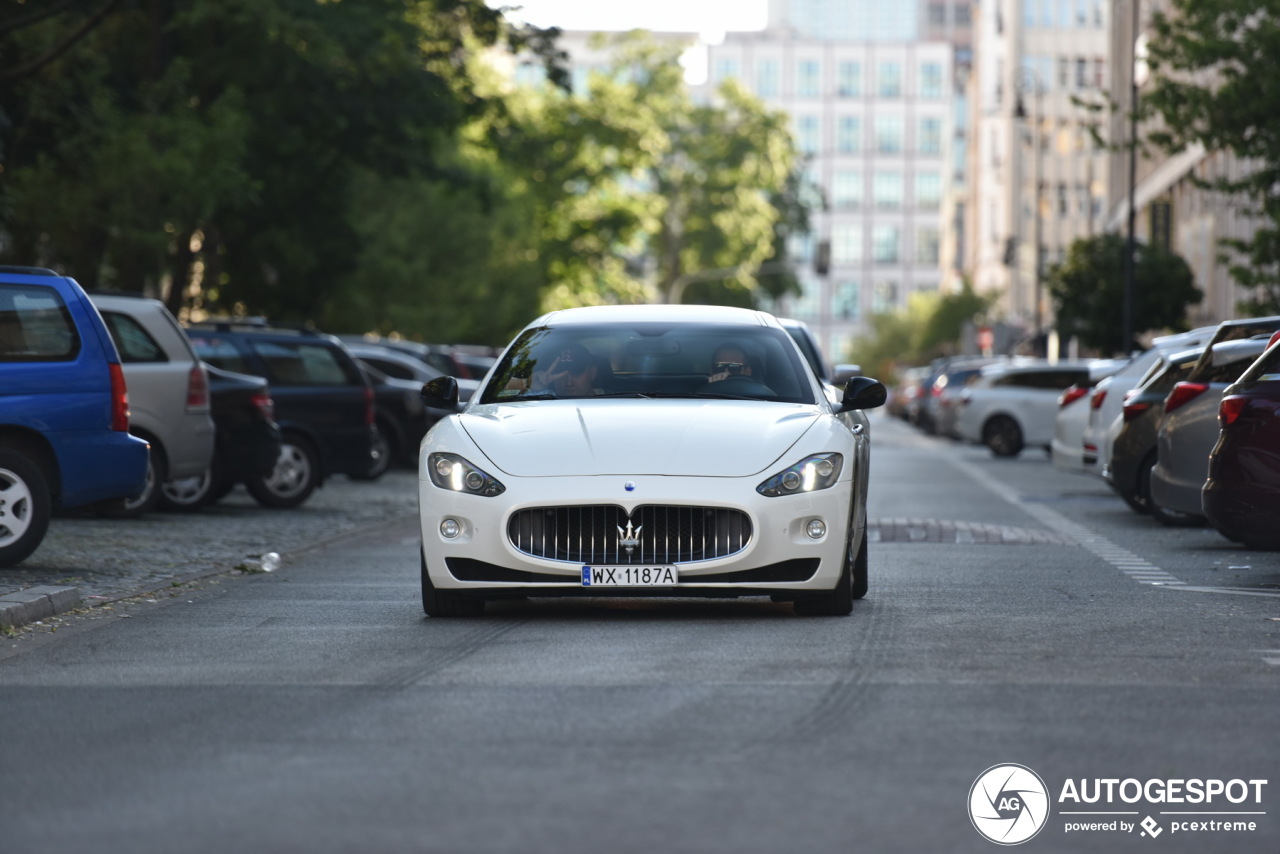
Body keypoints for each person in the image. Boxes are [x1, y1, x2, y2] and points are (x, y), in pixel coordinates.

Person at [530, 342, 600, 397]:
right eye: (560, 374)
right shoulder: (542, 400)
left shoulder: (610, 400)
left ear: (592, 372)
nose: (569, 383)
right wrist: (529, 388)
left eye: (576, 373)